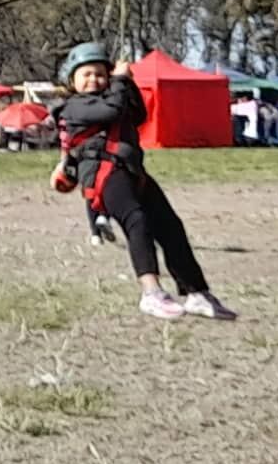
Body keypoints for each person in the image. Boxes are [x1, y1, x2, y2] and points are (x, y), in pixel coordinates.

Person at [53, 41, 232, 322]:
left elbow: (138, 114)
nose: (94, 79)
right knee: (137, 221)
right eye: (86, 74)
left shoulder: (116, 94)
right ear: (72, 80)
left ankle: (196, 292)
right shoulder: (73, 107)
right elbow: (110, 112)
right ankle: (151, 292)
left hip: (132, 171)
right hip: (104, 173)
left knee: (170, 226)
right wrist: (120, 80)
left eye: (100, 74)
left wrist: (128, 81)